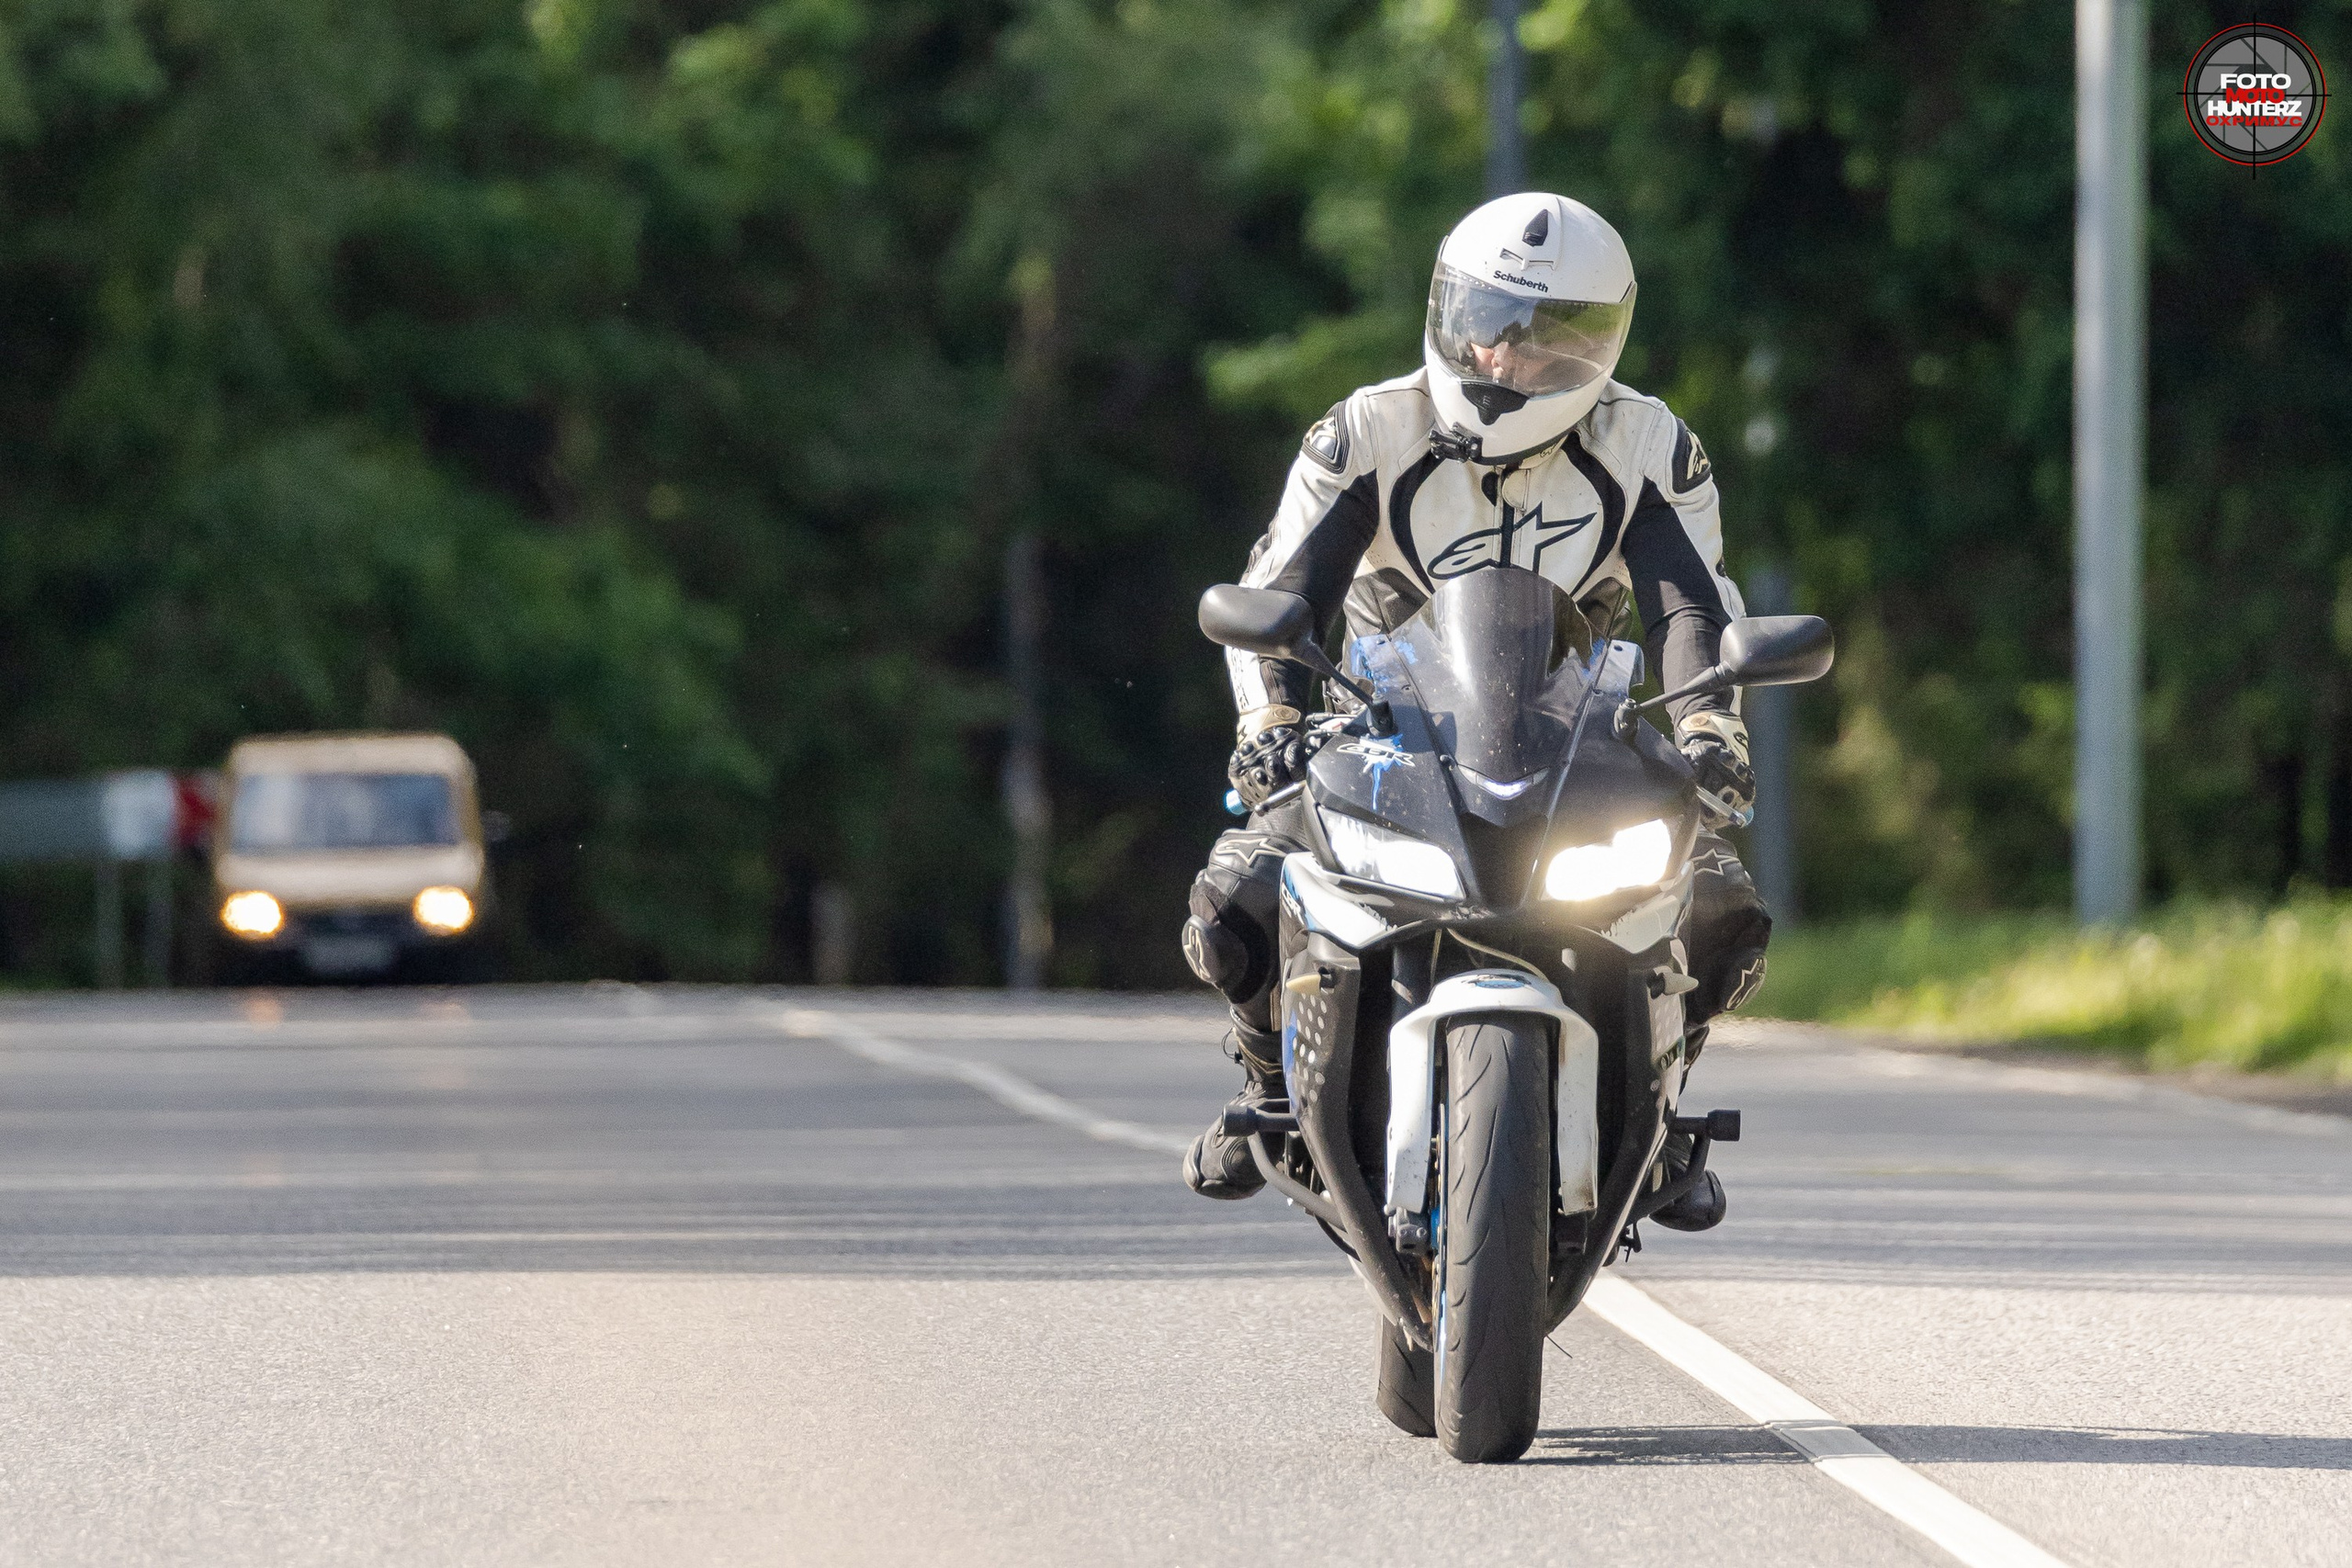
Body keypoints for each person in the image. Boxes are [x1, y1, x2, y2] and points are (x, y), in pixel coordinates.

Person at [1179, 192, 1771, 1231]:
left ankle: (1658, 1114)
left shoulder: (1651, 445)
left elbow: (1694, 611)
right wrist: (1269, 725)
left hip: (1572, 732)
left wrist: (1712, 737)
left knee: (1722, 909)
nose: (1507, 358)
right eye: (1489, 320)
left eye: (1552, 337)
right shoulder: (1366, 429)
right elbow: (1279, 593)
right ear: (1446, 309)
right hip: (1380, 730)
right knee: (1235, 900)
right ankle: (1269, 1078)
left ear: (1608, 341)